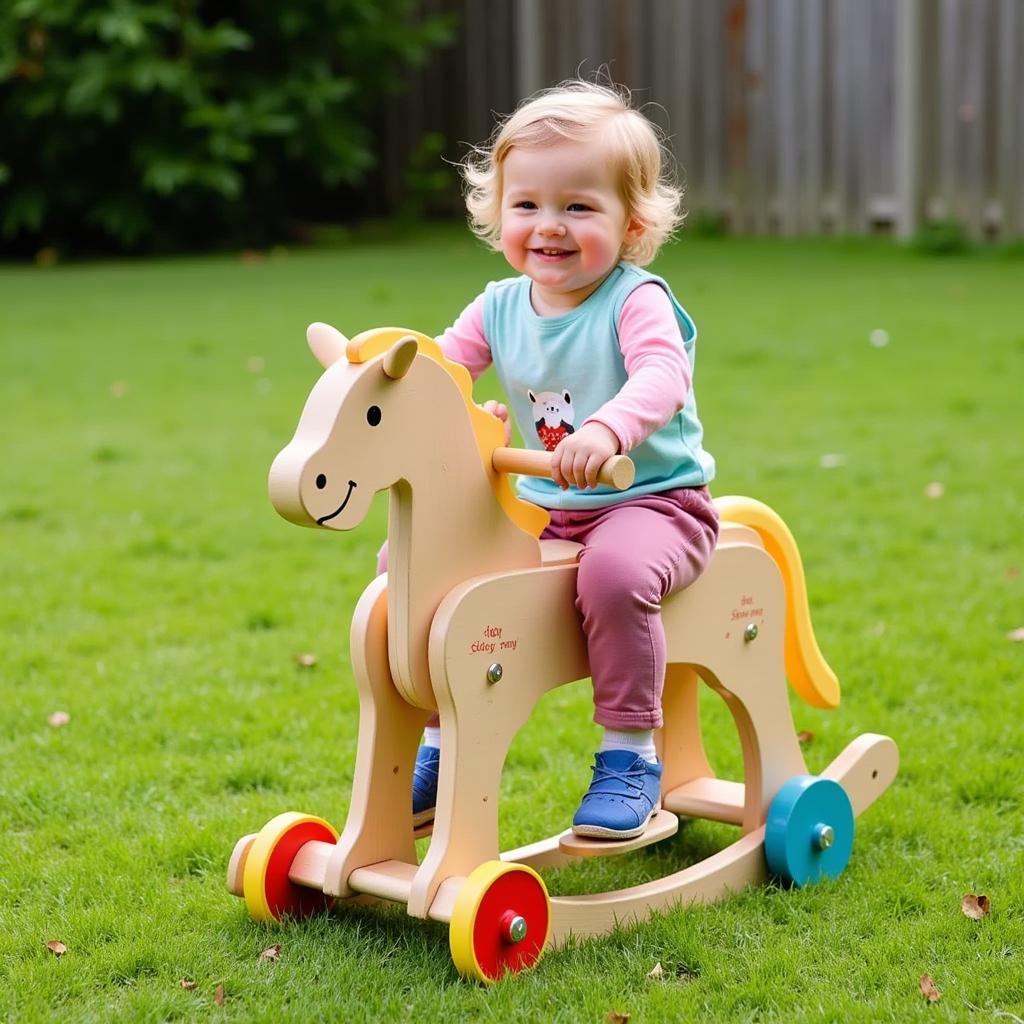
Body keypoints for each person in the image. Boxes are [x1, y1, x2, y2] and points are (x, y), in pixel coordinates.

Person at [389, 79, 719, 840]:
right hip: (548, 506)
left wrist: (607, 431)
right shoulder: (499, 305)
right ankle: (440, 741)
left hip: (652, 501)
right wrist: (453, 410)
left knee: (616, 576)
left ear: (631, 224)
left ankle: (632, 753)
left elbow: (663, 376)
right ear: (497, 210)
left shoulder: (636, 300)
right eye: (528, 204)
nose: (550, 226)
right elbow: (438, 374)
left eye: (579, 206)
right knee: (421, 567)